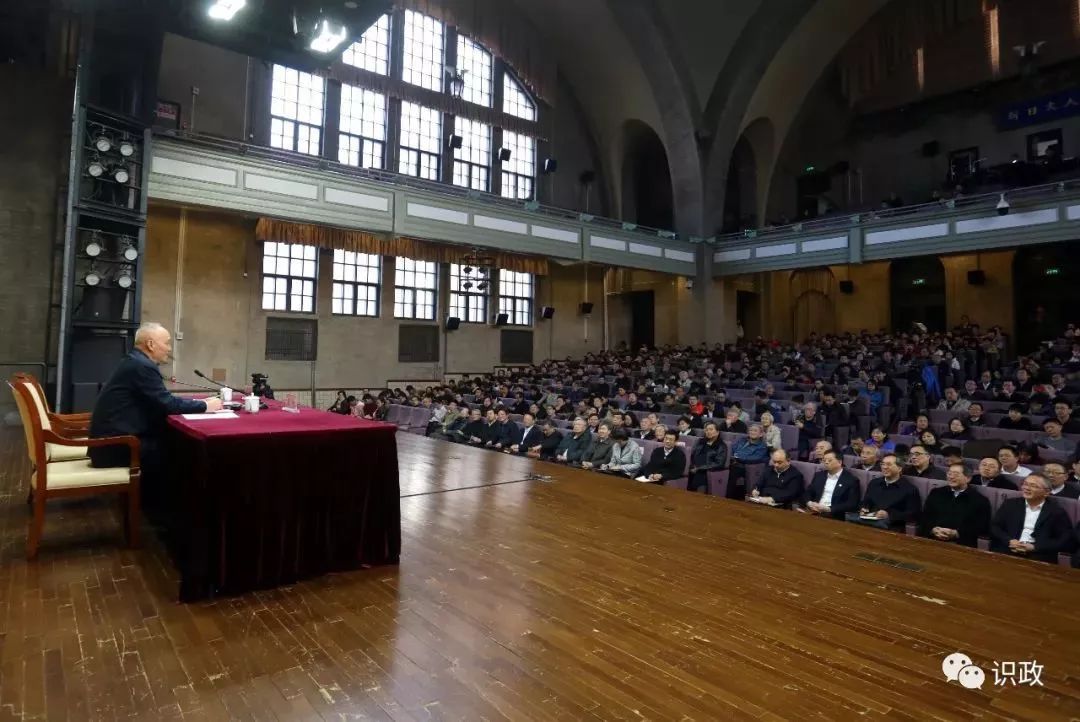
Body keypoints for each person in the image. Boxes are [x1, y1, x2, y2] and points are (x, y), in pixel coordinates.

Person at [89, 323, 223, 487]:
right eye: (166, 343)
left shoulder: (135, 360)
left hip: (110, 443)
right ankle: (166, 508)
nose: (169, 348)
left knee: (175, 440)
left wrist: (199, 402)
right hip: (116, 447)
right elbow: (167, 404)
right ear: (151, 344)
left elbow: (160, 399)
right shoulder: (142, 366)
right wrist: (205, 406)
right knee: (185, 448)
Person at [990, 474, 1074, 564]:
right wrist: (1009, 541)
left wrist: (1034, 547)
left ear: (1046, 492)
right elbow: (995, 527)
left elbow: (1063, 539)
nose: (1027, 488)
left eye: (1033, 486)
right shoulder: (1010, 504)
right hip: (1008, 549)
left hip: (1038, 555)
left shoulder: (1056, 512)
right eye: (1025, 484)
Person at [917, 463, 991, 548]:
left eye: (956, 474)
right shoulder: (936, 493)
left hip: (961, 544)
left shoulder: (980, 500)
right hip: (932, 539)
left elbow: (981, 527)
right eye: (949, 473)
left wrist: (956, 533)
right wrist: (933, 530)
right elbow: (925, 517)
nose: (951, 477)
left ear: (968, 478)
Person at [849, 454, 920, 531]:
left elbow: (913, 514)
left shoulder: (909, 489)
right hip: (868, 523)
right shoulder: (874, 483)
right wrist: (863, 508)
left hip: (892, 527)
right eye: (882, 464)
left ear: (899, 468)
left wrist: (889, 515)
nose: (884, 467)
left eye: (889, 464)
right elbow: (866, 501)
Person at [803, 450, 861, 520]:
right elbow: (808, 492)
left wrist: (829, 509)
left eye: (830, 460)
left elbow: (852, 503)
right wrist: (809, 503)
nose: (826, 462)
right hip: (814, 511)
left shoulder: (851, 480)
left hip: (833, 514)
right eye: (824, 460)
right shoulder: (819, 475)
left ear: (839, 462)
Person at [686, 421, 728, 493]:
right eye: (706, 430)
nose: (708, 432)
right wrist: (692, 466)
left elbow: (719, 463)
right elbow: (692, 455)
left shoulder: (721, 446)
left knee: (699, 478)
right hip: (694, 468)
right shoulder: (700, 441)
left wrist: (699, 468)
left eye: (711, 429)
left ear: (717, 432)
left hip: (706, 470)